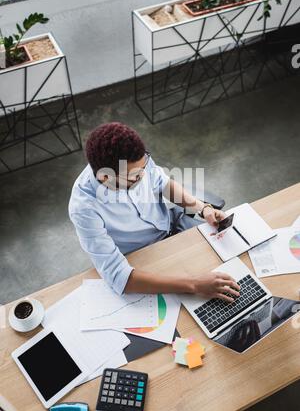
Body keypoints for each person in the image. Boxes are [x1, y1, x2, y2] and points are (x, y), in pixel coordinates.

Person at [69, 122, 240, 301]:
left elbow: (163, 184)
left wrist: (202, 208)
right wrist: (194, 284)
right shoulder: (84, 209)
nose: (143, 176)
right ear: (106, 177)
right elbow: (119, 276)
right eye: (135, 176)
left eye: (144, 167)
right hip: (143, 256)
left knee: (231, 260)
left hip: (173, 224)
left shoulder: (135, 163)